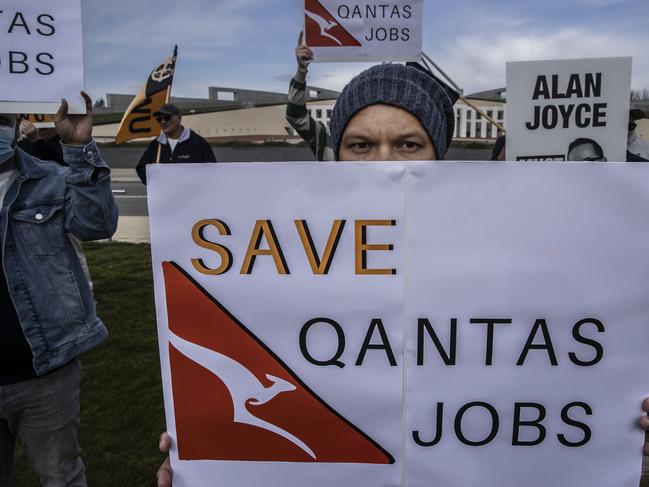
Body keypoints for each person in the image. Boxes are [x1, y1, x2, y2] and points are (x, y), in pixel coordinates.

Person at [0, 92, 118, 486]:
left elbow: (98, 225)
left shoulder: (49, 178)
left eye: (1, 120)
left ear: (17, 123)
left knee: (62, 477)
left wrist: (78, 146)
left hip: (45, 371)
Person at [135, 103, 216, 184]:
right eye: (159, 119)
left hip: (190, 194)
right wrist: (154, 183)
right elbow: (141, 168)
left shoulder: (198, 143)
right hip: (164, 194)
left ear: (179, 118)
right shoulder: (156, 145)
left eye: (167, 118)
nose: (163, 122)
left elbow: (212, 170)